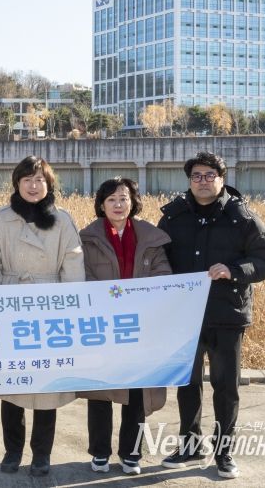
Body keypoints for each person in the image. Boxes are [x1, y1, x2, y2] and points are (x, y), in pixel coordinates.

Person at [157, 151, 265, 479]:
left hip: (227, 314)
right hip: (185, 316)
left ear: (221, 179)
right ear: (189, 180)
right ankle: (190, 444)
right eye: (196, 176)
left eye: (210, 175)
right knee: (187, 383)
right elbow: (158, 258)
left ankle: (224, 452)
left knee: (226, 387)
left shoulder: (241, 216)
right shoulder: (174, 216)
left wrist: (234, 270)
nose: (203, 181)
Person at [0, 155, 85, 477]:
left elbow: (72, 266)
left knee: (46, 387)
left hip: (50, 311)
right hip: (10, 307)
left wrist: (66, 309)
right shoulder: (1, 220)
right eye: (26, 179)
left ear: (49, 184)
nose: (33, 185)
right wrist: (1, 302)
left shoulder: (63, 220)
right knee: (12, 385)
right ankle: (12, 450)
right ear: (16, 183)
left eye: (39, 179)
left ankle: (42, 453)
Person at [77, 177, 172, 475]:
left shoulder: (150, 237)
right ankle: (100, 452)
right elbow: (82, 277)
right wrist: (109, 300)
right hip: (102, 324)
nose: (118, 205)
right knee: (101, 391)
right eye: (111, 200)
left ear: (133, 202)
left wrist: (139, 299)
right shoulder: (88, 238)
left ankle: (131, 454)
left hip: (140, 325)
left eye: (124, 199)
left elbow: (163, 275)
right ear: (101, 205)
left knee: (136, 390)